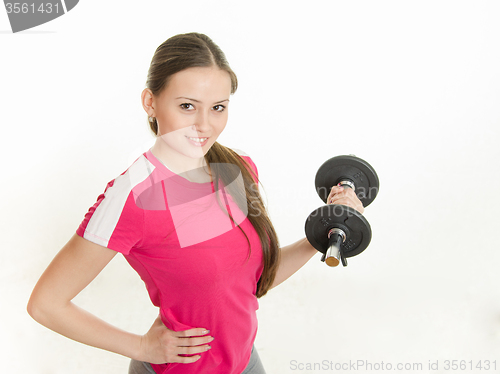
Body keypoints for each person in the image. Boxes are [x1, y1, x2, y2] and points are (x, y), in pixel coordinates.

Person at [27, 32, 365, 374]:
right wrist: (142, 346)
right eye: (187, 106)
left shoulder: (238, 168)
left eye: (217, 107)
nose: (204, 125)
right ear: (150, 102)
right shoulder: (132, 199)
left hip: (246, 363)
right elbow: (46, 304)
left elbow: (251, 282)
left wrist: (320, 233)